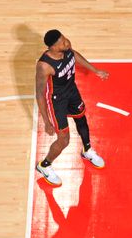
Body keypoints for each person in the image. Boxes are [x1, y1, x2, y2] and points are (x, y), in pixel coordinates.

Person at [34, 30, 109, 186]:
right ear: (53, 48)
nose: (66, 43)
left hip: (72, 91)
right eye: (62, 42)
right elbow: (40, 94)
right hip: (57, 101)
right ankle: (44, 166)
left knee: (81, 118)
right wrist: (47, 122)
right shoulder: (44, 66)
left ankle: (87, 151)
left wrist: (95, 70)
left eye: (65, 38)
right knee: (64, 140)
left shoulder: (67, 49)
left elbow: (75, 55)